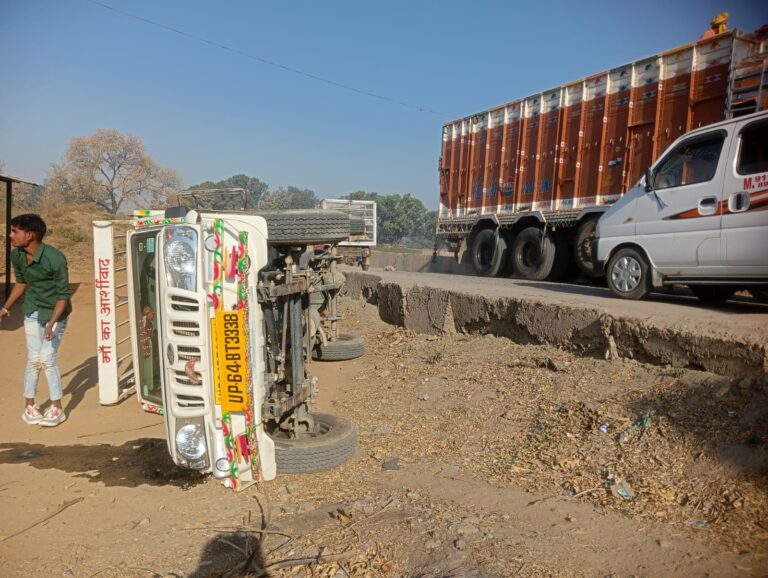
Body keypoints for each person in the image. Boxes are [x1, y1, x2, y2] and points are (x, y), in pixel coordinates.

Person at [0, 214, 72, 426]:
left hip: (55, 313)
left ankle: (57, 408)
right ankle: (29, 407)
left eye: (15, 231)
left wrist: (51, 324)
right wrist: (5, 309)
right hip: (32, 310)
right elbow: (22, 282)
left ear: (29, 235)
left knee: (47, 359)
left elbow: (63, 295)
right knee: (34, 359)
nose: (10, 235)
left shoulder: (55, 258)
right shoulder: (17, 255)